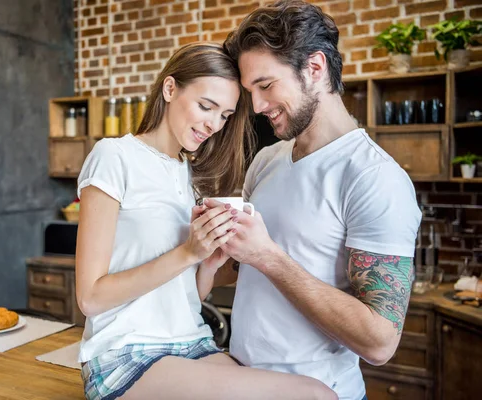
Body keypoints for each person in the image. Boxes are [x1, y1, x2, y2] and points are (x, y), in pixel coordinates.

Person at [74, 42, 336, 400]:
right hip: (127, 353)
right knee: (315, 396)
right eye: (206, 106)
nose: (214, 124)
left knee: (320, 393)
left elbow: (183, 301)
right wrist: (187, 253)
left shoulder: (189, 173)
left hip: (193, 344)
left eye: (225, 115)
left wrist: (208, 263)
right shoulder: (114, 156)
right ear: (170, 89)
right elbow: (90, 298)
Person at [206, 1, 423, 399]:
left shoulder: (375, 177)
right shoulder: (266, 160)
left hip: (319, 391)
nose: (256, 106)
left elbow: (380, 342)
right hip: (242, 383)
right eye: (250, 91)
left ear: (315, 68)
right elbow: (237, 269)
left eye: (266, 85)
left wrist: (268, 256)